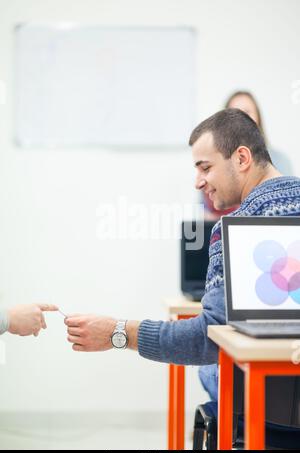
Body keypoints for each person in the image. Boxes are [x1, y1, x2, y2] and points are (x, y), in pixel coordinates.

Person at [64, 109, 300, 405]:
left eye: (205, 167)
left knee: (212, 371)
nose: (198, 182)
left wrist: (117, 331)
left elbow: (207, 339)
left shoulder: (234, 230)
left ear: (241, 158)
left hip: (268, 410)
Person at [203, 90, 293, 221]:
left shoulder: (280, 161)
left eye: (247, 113)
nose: (241, 120)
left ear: (258, 118)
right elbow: (205, 217)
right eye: (234, 114)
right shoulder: (213, 166)